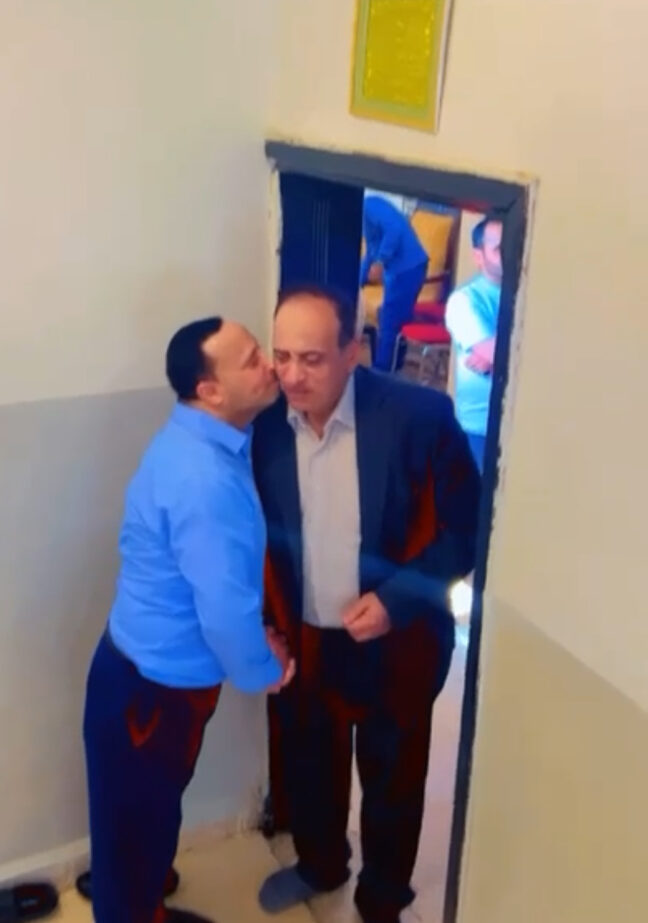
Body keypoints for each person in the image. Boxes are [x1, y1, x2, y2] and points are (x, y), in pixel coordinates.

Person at [252, 286, 481, 923]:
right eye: (282, 356)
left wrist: (396, 601)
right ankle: (320, 863)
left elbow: (466, 529)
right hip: (307, 639)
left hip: (395, 641)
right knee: (310, 765)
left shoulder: (418, 417)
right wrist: (264, 624)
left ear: (353, 351)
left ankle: (382, 897)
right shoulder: (263, 427)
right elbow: (250, 538)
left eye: (312, 359)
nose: (292, 376)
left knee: (392, 778)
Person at [83, 317, 296, 923]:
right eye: (252, 359)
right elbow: (226, 613)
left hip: (142, 680)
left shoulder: (200, 439)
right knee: (136, 834)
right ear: (210, 390)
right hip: (149, 696)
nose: (271, 364)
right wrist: (266, 668)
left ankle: (140, 899)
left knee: (140, 823)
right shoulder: (204, 479)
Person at [445, 216, 503, 473]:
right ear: (478, 256)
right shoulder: (465, 301)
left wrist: (497, 358)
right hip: (479, 427)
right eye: (499, 249)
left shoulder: (532, 295)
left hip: (527, 419)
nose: (510, 255)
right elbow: (499, 355)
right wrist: (497, 357)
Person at [359, 195, 429, 372]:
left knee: (389, 317)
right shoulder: (363, 216)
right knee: (394, 317)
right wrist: (357, 280)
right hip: (401, 269)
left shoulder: (370, 205)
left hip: (408, 267)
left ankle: (381, 372)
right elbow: (372, 250)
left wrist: (381, 261)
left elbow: (394, 229)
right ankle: (394, 366)